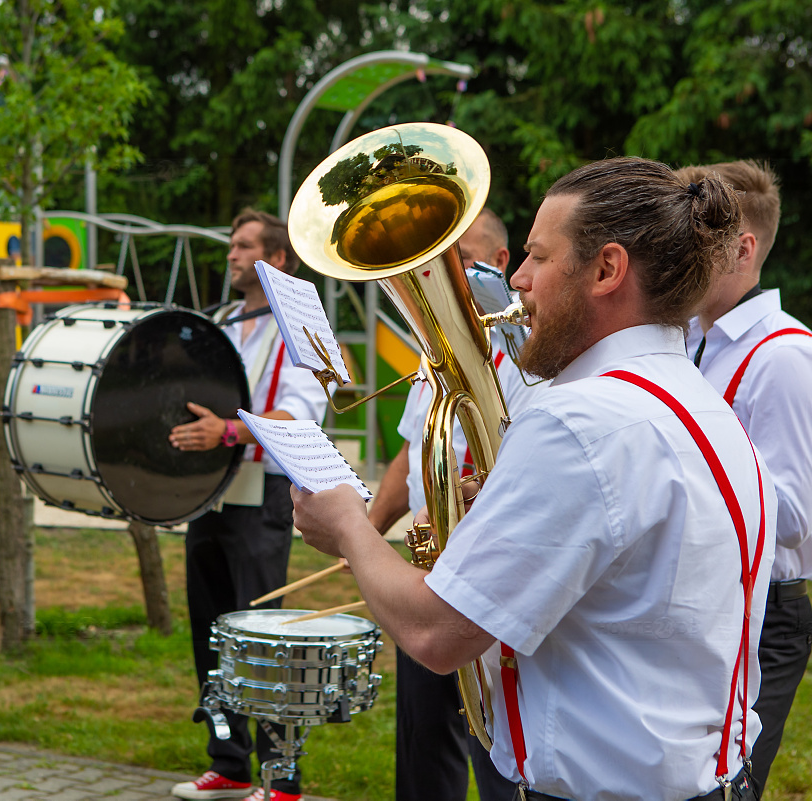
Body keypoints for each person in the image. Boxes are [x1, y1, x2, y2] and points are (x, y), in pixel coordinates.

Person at [293, 157, 772, 801]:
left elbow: (437, 635)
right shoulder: (699, 400)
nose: (516, 280)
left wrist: (351, 524)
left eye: (537, 258)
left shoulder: (581, 422)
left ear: (606, 270)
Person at [677, 160, 812, 795]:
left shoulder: (787, 357)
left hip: (764, 615)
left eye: (688, 240)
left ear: (743, 250)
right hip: (711, 600)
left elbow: (794, 514)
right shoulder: (694, 339)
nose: (669, 251)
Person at [368, 208, 538, 801]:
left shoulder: (528, 361)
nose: (448, 274)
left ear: (502, 265)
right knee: (422, 739)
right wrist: (366, 533)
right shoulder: (431, 351)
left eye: (461, 260)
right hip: (429, 564)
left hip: (489, 570)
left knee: (494, 741)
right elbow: (412, 455)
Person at [168, 209, 328, 801]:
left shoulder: (297, 326)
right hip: (209, 496)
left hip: (260, 495)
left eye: (242, 246)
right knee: (210, 631)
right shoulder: (227, 322)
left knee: (262, 636)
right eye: (231, 246)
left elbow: (300, 413)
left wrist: (228, 434)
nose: (230, 255)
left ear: (275, 259)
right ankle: (230, 765)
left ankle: (281, 779)